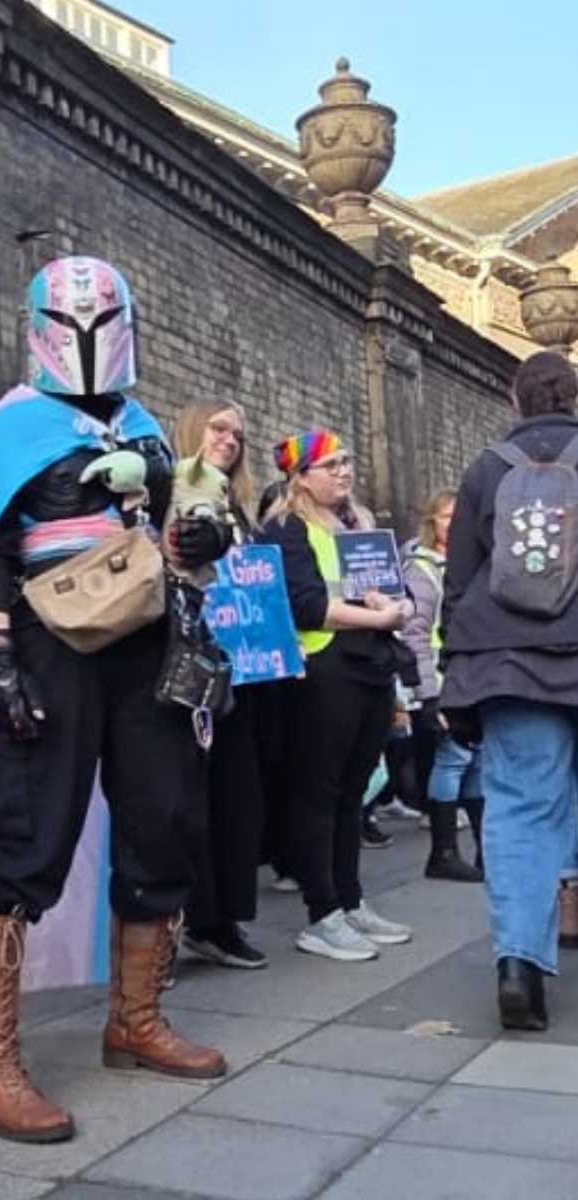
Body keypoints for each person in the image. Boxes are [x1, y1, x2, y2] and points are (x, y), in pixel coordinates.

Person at [0, 257, 231, 1144]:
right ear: (41, 328)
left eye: (100, 322)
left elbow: (174, 537)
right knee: (22, 835)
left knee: (161, 820)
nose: (86, 339)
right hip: (47, 640)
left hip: (146, 643)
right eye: (70, 324)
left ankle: (136, 1020)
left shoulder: (142, 426)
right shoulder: (11, 427)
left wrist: (197, 537)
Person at [438, 350, 578, 1031]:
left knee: (520, 808)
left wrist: (454, 667)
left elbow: (459, 580)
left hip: (507, 660)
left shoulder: (486, 469)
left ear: (516, 400)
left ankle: (518, 966)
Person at [261, 429, 414, 964]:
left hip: (371, 665)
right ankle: (321, 914)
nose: (344, 471)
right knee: (319, 794)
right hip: (325, 669)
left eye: (346, 461)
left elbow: (396, 592)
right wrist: (379, 617)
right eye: (330, 464)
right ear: (300, 477)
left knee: (354, 793)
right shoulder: (287, 527)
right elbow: (305, 605)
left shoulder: (359, 524)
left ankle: (350, 901)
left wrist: (401, 608)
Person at [169, 403, 269, 970]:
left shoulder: (239, 508)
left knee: (235, 795)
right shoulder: (173, 492)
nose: (230, 440)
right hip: (188, 661)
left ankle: (219, 918)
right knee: (185, 795)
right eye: (219, 429)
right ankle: (176, 921)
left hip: (241, 664)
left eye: (238, 434)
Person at [402, 490, 481, 881]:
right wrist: (428, 694)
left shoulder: (469, 562)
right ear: (432, 522)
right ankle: (444, 851)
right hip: (442, 680)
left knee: (477, 760)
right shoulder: (423, 569)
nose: (455, 523)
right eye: (447, 516)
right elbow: (415, 634)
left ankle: (485, 851)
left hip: (470, 677)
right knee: (452, 760)